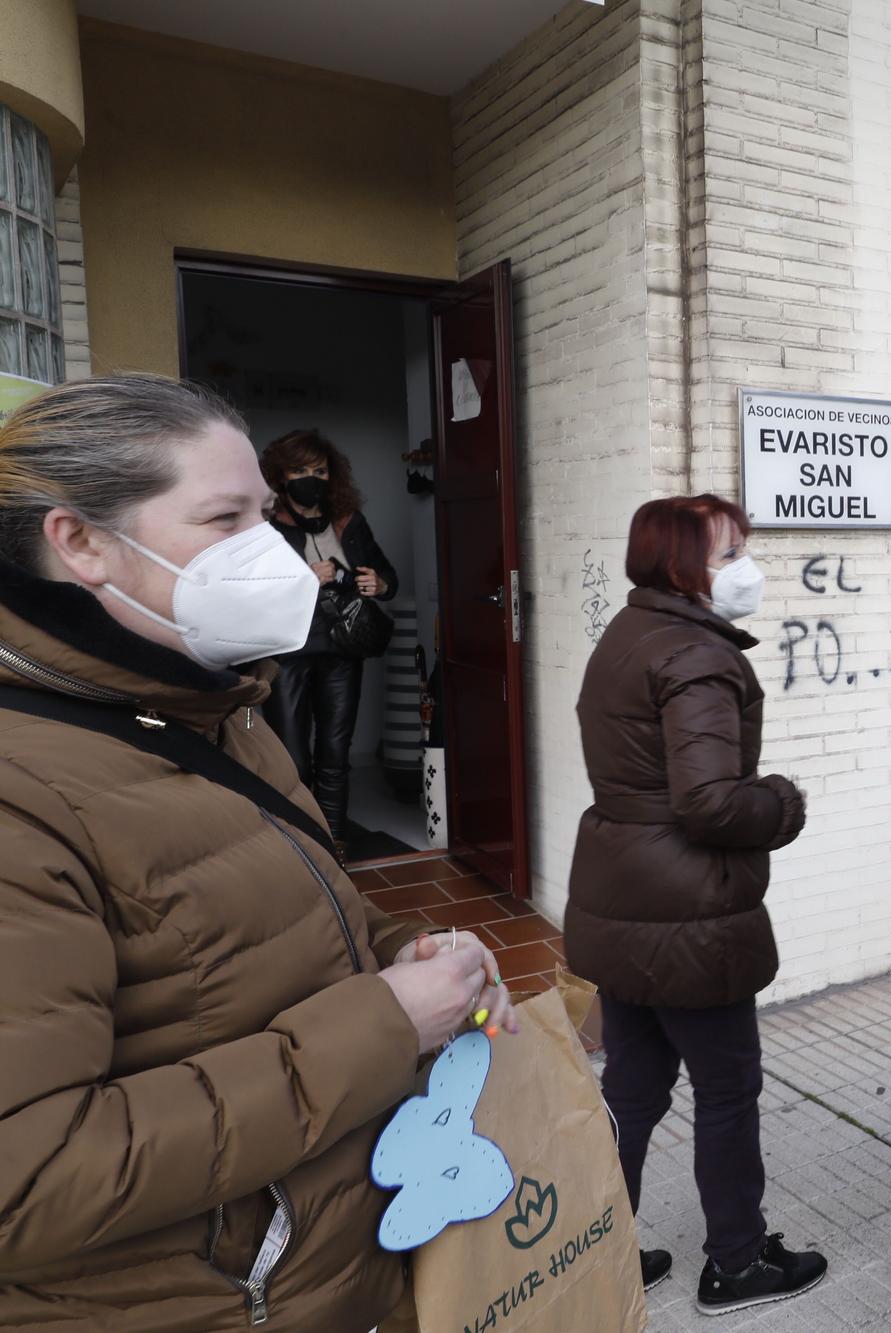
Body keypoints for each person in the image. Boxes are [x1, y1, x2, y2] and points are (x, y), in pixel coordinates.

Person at [0, 374, 516, 1331]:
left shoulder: (215, 706)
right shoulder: (22, 792)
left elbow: (294, 919)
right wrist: (383, 1024)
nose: (267, 547)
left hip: (328, 1274)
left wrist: (402, 946)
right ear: (80, 543)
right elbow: (26, 1182)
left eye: (266, 515)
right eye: (224, 518)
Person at [564, 494, 828, 1316]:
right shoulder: (696, 655)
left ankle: (593, 1249)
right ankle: (737, 1263)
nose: (746, 566)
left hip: (620, 892)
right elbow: (710, 802)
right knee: (726, 1086)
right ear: (681, 563)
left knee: (633, 1087)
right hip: (687, 912)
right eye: (728, 552)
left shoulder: (626, 635)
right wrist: (783, 802)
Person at [261, 429, 398, 863]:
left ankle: (333, 845)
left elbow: (388, 576)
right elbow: (249, 593)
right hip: (289, 653)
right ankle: (300, 846)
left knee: (336, 754)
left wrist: (380, 583)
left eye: (319, 471)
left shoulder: (348, 520)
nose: (311, 479)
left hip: (342, 650)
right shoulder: (265, 526)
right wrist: (305, 580)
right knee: (293, 757)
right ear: (281, 476)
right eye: (300, 470)